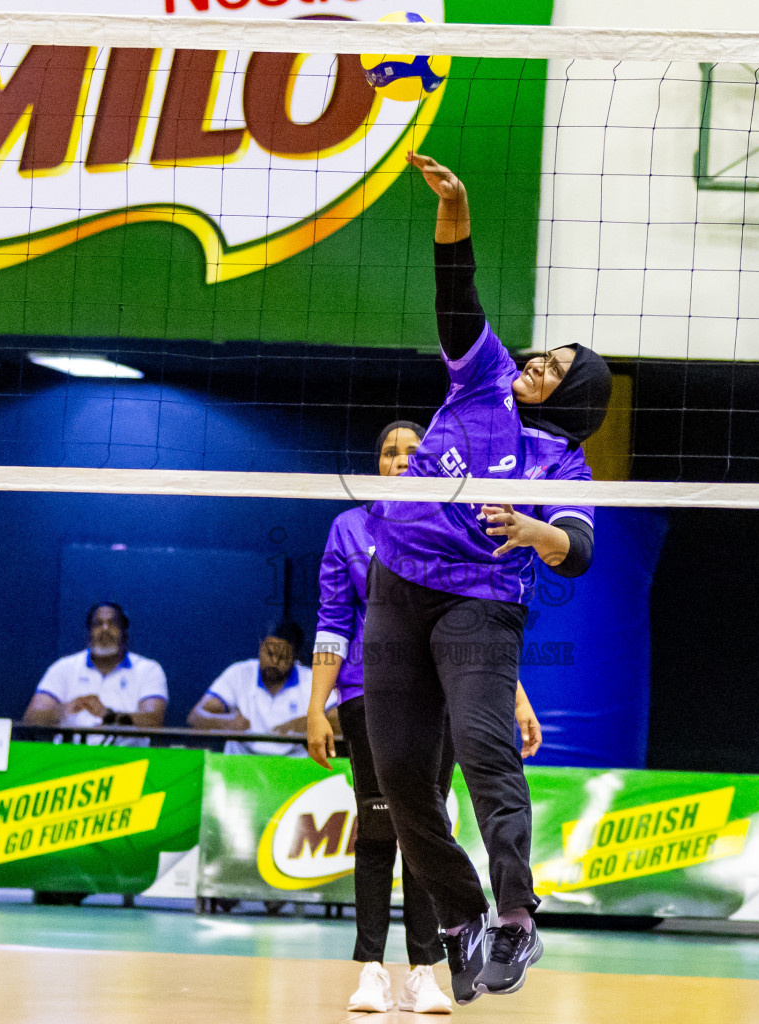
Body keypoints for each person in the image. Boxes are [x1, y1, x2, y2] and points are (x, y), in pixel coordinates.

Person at [361, 152, 610, 1004]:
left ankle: (515, 917)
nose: (537, 362)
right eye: (541, 356)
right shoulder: (484, 375)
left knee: (482, 749)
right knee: (398, 778)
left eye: (554, 366)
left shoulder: (565, 463)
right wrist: (455, 207)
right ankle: (463, 918)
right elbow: (456, 289)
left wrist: (538, 529)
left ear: (572, 393)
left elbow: (576, 549)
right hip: (396, 584)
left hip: (480, 603)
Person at [307, 422, 544, 1015]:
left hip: (446, 685)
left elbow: (472, 610)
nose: (401, 459)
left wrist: (514, 695)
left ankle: (423, 970)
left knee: (426, 827)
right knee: (380, 827)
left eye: (413, 451)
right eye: (389, 452)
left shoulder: (454, 517)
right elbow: (333, 620)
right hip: (369, 690)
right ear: (377, 465)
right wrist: (316, 705)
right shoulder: (350, 528)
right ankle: (369, 968)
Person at [22, 602, 166, 747]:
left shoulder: (148, 669)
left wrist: (109, 716)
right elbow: (31, 719)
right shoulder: (64, 667)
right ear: (88, 632)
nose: (105, 629)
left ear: (124, 632)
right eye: (98, 624)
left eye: (113, 623)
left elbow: (153, 721)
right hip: (68, 758)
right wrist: (64, 710)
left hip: (128, 759)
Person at [188, 620, 333, 757]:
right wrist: (227, 723)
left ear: (295, 656)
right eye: (269, 653)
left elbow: (341, 720)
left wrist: (312, 722)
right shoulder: (239, 673)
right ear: (260, 645)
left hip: (295, 770)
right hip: (238, 768)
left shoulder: (312, 680)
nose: (274, 662)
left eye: (282, 657)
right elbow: (195, 717)